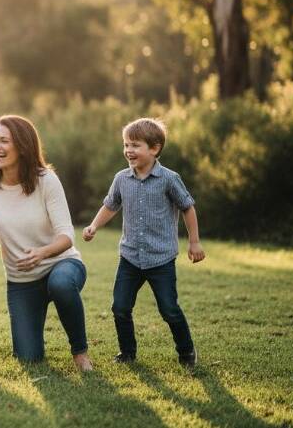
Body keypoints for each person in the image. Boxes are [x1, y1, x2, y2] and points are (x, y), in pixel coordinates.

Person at [0, 115, 93, 371]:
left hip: (61, 264)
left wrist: (42, 253)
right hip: (22, 281)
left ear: (23, 145)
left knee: (60, 284)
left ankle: (80, 353)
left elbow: (66, 236)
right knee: (29, 358)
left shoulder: (46, 180)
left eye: (4, 141)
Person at [83, 117, 205, 368]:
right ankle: (127, 352)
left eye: (135, 145)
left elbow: (188, 207)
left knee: (169, 309)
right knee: (120, 307)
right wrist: (94, 226)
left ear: (155, 148)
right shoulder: (121, 179)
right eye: (126, 145)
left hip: (161, 258)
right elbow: (110, 205)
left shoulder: (169, 179)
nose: (129, 150)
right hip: (130, 257)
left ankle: (186, 352)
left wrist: (194, 243)